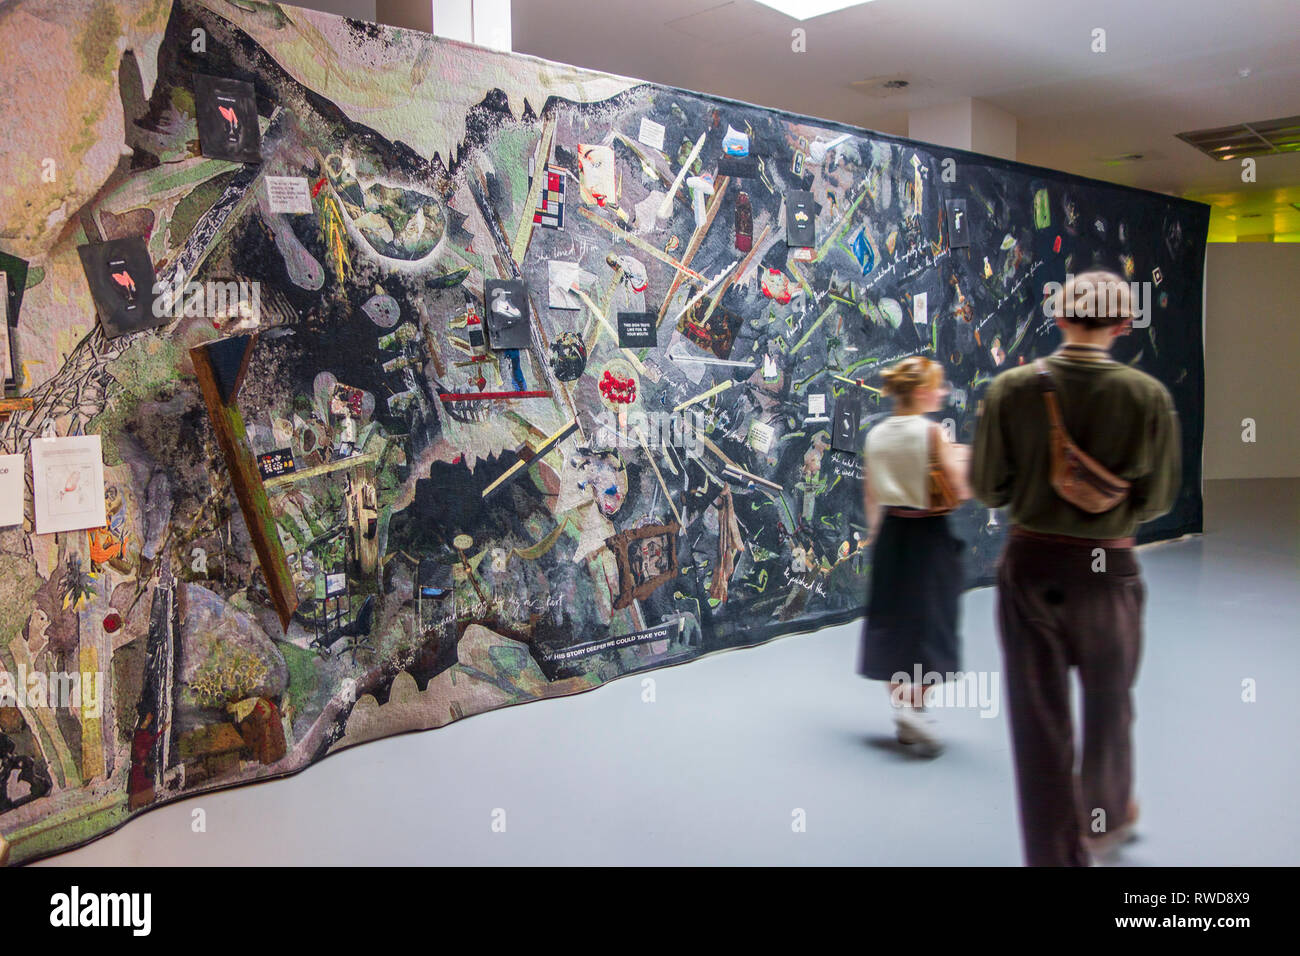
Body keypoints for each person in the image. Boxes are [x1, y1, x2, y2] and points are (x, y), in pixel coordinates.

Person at [971, 269, 1181, 866]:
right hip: (1110, 573)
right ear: (1122, 324)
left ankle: (1056, 857)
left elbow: (988, 488)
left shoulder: (1011, 389)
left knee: (1039, 723)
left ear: (1060, 319)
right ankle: (1107, 814)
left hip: (1031, 566)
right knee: (1111, 700)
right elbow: (1160, 498)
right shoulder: (1148, 398)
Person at [859, 356, 971, 757]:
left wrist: (879, 535)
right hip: (928, 534)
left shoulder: (877, 434)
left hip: (892, 533)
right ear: (922, 392)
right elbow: (956, 490)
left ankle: (904, 710)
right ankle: (915, 706)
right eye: (938, 386)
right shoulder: (931, 434)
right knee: (932, 621)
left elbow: (872, 493)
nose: (942, 393)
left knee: (892, 621)